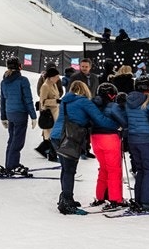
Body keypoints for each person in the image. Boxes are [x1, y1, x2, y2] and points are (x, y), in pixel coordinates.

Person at [50, 81, 117, 214]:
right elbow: (100, 119)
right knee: (70, 170)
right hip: (69, 138)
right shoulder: (84, 102)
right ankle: (67, 203)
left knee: (65, 169)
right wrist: (117, 125)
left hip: (56, 136)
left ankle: (65, 197)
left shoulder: (66, 101)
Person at [118, 77, 149, 212]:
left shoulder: (128, 101)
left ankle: (139, 199)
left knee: (141, 170)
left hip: (133, 140)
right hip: (147, 140)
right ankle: (146, 201)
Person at [0, 57, 36, 178]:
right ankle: (11, 165)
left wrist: (3, 117)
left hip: (10, 114)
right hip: (20, 114)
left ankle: (11, 163)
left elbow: (2, 100)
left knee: (12, 139)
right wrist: (33, 116)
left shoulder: (4, 82)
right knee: (18, 141)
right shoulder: (22, 80)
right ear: (20, 66)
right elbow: (27, 99)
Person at [91, 83, 126, 207]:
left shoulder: (93, 105)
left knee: (103, 168)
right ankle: (116, 199)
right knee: (114, 170)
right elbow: (124, 122)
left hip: (95, 138)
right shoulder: (113, 106)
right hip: (110, 139)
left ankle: (100, 196)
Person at [35, 67, 62, 163]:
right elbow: (43, 102)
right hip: (49, 114)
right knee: (51, 135)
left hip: (55, 113)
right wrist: (56, 101)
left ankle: (42, 149)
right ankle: (52, 155)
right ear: (51, 77)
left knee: (51, 135)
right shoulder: (45, 86)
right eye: (56, 76)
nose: (58, 78)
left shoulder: (53, 84)